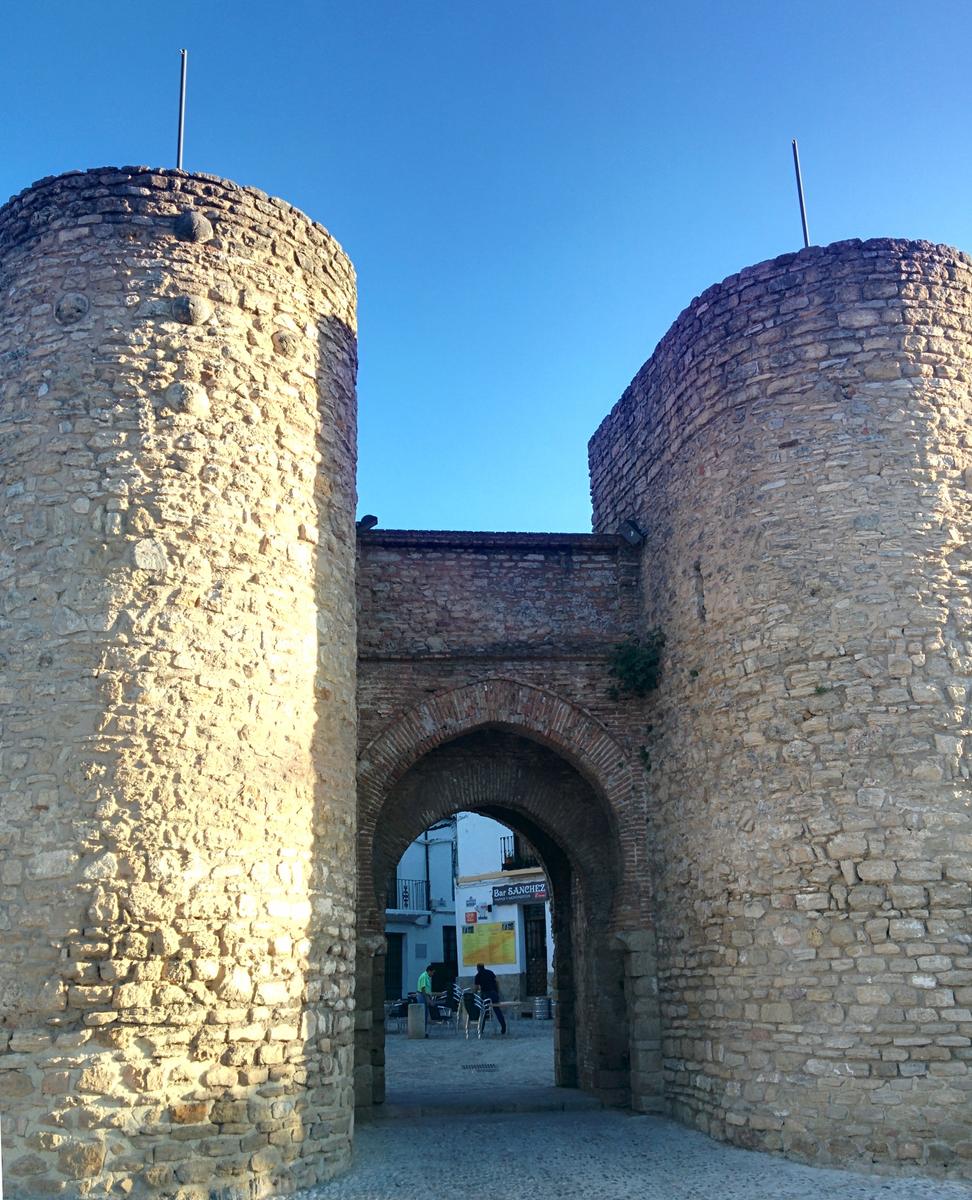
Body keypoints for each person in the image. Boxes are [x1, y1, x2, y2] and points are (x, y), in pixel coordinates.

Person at [474, 962, 507, 1034]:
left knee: (483, 1011)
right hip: (493, 993)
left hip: (485, 994)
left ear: (478, 968)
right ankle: (503, 1025)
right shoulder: (490, 972)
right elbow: (497, 982)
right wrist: (497, 991)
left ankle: (481, 1029)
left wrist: (474, 994)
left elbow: (476, 987)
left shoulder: (478, 975)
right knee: (497, 1010)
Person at [417, 963, 435, 1034]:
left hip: (424, 995)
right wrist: (427, 999)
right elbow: (423, 988)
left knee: (425, 1014)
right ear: (429, 971)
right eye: (432, 972)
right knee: (423, 1013)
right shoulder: (424, 976)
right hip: (422, 996)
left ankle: (424, 1030)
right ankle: (422, 1031)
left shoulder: (427, 977)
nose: (433, 974)